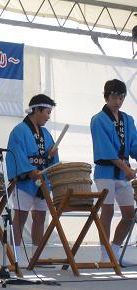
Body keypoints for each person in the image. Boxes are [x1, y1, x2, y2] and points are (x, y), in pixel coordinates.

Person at [5, 94, 59, 267]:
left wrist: (50, 156)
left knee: (40, 218)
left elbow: (52, 158)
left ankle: (37, 255)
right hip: (25, 182)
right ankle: (16, 255)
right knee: (20, 218)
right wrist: (29, 171)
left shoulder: (46, 133)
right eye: (47, 112)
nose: (49, 117)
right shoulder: (19, 130)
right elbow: (16, 154)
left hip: (41, 181)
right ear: (36, 109)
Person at [90, 79, 137, 263]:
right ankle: (104, 255)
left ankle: (114, 251)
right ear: (106, 96)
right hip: (105, 173)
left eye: (121, 97)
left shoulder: (128, 119)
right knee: (107, 211)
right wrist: (126, 168)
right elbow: (106, 150)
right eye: (114, 96)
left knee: (129, 215)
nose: (118, 101)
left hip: (122, 174)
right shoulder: (98, 119)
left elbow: (134, 145)